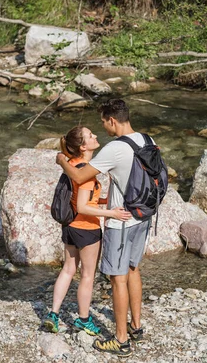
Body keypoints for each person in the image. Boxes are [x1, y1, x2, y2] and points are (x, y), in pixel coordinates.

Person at [56, 99, 153, 357]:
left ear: (112, 120)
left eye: (102, 122)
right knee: (133, 269)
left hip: (120, 222)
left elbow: (79, 176)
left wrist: (61, 160)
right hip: (143, 216)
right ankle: (136, 326)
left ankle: (121, 340)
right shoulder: (147, 139)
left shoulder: (115, 148)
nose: (102, 127)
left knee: (117, 278)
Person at [44, 125, 131, 336]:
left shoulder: (72, 165)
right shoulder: (86, 173)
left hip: (70, 226)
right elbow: (83, 206)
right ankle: (83, 319)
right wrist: (112, 213)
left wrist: (104, 200)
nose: (95, 136)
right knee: (87, 276)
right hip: (86, 228)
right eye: (90, 136)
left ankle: (53, 314)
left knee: (67, 270)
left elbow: (82, 199)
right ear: (83, 146)